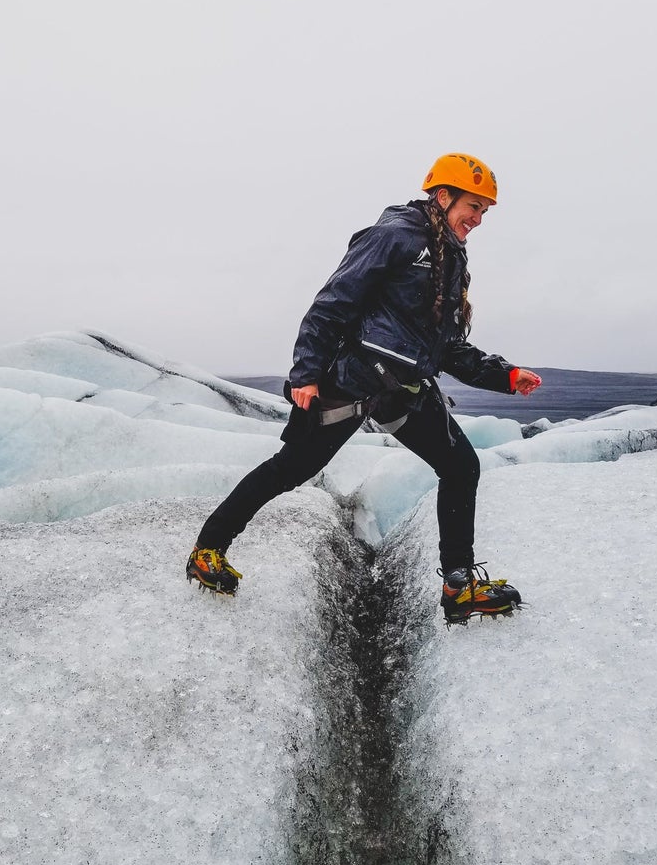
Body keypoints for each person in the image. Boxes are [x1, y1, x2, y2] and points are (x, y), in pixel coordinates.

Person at [186, 153, 542, 625]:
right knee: (292, 468)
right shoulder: (394, 235)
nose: (477, 219)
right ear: (443, 195)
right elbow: (332, 303)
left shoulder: (450, 254)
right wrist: (306, 374)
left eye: (484, 212)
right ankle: (207, 550)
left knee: (460, 465)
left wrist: (505, 375)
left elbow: (445, 346)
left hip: (402, 388)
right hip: (348, 380)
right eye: (472, 207)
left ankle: (458, 589)